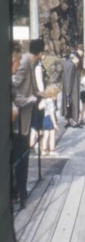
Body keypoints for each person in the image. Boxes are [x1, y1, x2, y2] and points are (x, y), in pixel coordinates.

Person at [11, 38, 44, 209]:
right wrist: (27, 100)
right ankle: (19, 193)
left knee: (22, 155)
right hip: (20, 117)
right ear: (40, 53)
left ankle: (19, 191)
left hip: (26, 115)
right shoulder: (24, 62)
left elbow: (29, 85)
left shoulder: (28, 61)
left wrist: (41, 94)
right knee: (20, 155)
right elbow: (13, 86)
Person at [38, 84, 60, 156]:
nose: (57, 97)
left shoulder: (45, 100)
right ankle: (52, 150)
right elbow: (52, 114)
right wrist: (55, 124)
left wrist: (42, 101)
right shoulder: (51, 102)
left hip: (45, 119)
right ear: (53, 95)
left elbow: (39, 107)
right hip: (50, 119)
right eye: (56, 95)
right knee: (52, 136)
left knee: (46, 135)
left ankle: (44, 150)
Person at [62, 52, 81, 127]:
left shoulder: (67, 64)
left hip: (68, 89)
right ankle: (74, 121)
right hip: (72, 89)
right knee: (73, 104)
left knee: (68, 105)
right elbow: (69, 78)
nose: (78, 60)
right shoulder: (71, 65)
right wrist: (68, 92)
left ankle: (67, 120)